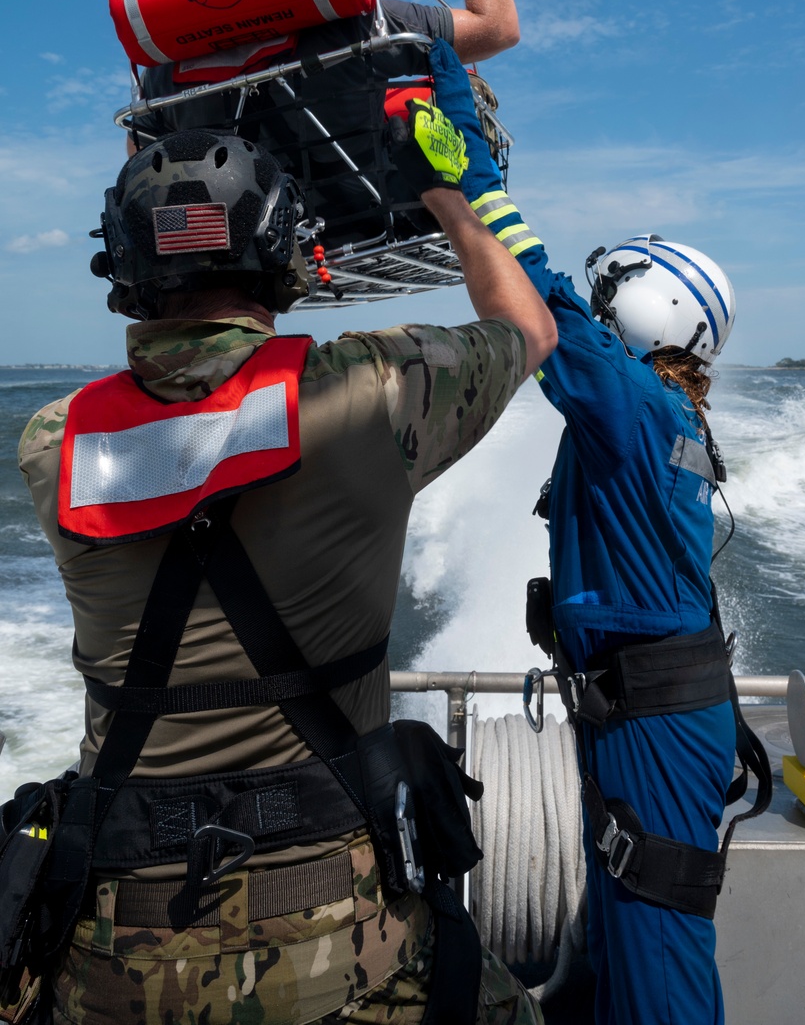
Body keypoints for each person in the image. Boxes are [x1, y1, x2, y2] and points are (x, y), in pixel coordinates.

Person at [14, 103, 556, 1023]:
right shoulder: (377, 389)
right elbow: (529, 329)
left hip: (109, 958)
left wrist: (158, 188)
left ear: (125, 268)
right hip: (337, 946)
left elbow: (178, 429)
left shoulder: (51, 442)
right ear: (286, 250)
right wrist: (448, 193)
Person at [430, 39, 770, 1025]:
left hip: (652, 730)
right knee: (618, 953)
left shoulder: (632, 411)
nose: (600, 299)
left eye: (615, 286)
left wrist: (457, 177)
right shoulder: (662, 417)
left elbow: (531, 292)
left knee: (657, 966)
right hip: (640, 718)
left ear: (652, 305)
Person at [134, 0, 519, 247]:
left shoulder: (163, 70)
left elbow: (140, 154)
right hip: (382, 224)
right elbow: (498, 28)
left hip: (257, 248)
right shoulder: (361, 24)